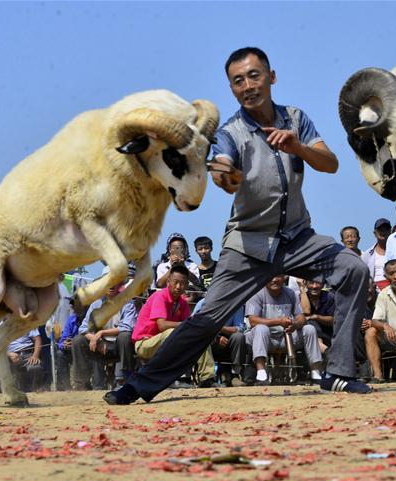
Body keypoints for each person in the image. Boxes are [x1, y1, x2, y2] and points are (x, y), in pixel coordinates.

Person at [106, 46, 371, 405]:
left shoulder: (296, 119)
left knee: (354, 269)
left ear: (271, 77)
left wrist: (299, 147)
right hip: (248, 244)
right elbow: (223, 169)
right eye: (238, 80)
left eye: (254, 75)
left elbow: (330, 163)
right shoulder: (230, 132)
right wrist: (226, 177)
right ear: (231, 88)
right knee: (207, 319)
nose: (248, 85)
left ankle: (339, 373)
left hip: (298, 237)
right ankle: (139, 386)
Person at [131, 265, 216, 387]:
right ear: (168, 282)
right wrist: (188, 325)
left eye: (182, 284)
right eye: (175, 282)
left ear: (186, 285)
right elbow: (162, 325)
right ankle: (179, 379)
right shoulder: (160, 296)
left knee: (198, 335)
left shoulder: (182, 303)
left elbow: (189, 327)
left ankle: (207, 378)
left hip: (164, 342)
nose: (178, 287)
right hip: (145, 343)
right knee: (175, 332)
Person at [245, 275, 324, 383]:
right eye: (271, 277)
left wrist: (295, 324)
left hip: (286, 337)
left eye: (278, 276)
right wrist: (278, 321)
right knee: (261, 329)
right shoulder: (256, 293)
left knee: (309, 328)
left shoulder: (290, 293)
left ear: (284, 278)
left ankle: (316, 371)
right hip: (263, 339)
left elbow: (301, 317)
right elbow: (253, 321)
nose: (274, 280)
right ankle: (261, 372)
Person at [71, 283, 138, 390]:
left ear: (119, 284)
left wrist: (101, 333)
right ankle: (81, 383)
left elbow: (128, 327)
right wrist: (94, 338)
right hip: (99, 345)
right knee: (78, 340)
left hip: (119, 345)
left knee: (125, 336)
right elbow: (83, 329)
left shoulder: (127, 302)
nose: (111, 286)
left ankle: (123, 380)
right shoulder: (95, 305)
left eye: (114, 281)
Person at [300, 279, 335, 352]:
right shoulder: (302, 297)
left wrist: (317, 317)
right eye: (311, 283)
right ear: (306, 284)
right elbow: (306, 312)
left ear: (322, 285)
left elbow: (333, 320)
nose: (314, 286)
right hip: (308, 336)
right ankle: (324, 349)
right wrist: (302, 289)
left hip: (327, 334)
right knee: (310, 322)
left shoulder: (329, 297)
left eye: (318, 283)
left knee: (312, 319)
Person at [6, 328, 43, 392]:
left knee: (35, 367)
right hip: (10, 356)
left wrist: (35, 356)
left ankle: (35, 393)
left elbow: (37, 339)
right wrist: (8, 354)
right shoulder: (2, 326)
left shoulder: (28, 321)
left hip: (28, 354)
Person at [363, 218, 392, 285]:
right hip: (376, 290)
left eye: (386, 229)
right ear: (375, 233)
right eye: (380, 230)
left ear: (390, 231)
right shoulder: (367, 254)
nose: (383, 232)